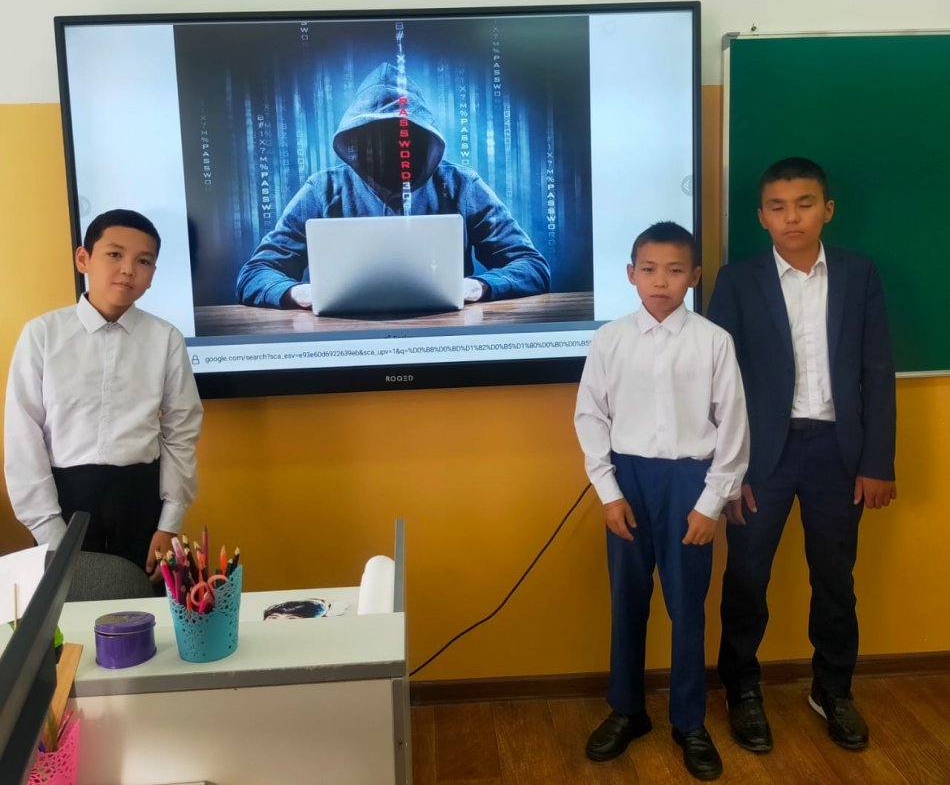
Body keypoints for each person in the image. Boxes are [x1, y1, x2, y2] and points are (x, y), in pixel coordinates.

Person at [708, 157, 897, 753]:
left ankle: (832, 689)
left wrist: (877, 462)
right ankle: (741, 688)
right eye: (778, 207)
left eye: (805, 204)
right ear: (761, 216)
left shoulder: (859, 274)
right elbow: (718, 382)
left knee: (835, 579)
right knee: (747, 577)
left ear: (827, 210)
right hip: (761, 455)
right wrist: (728, 471)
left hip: (837, 453)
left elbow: (877, 372)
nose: (792, 217)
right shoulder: (737, 281)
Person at [575, 221, 749, 782]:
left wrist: (711, 504)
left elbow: (733, 428)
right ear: (631, 274)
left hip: (689, 486)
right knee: (627, 601)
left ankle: (688, 721)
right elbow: (590, 416)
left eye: (675, 271)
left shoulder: (713, 341)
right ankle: (627, 709)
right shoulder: (610, 339)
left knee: (687, 608)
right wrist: (608, 493)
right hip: (627, 481)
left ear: (694, 276)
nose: (660, 281)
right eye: (648, 270)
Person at [235, 61, 550, 309]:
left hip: (446, 344)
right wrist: (301, 293)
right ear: (355, 140)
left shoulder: (461, 185)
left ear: (423, 138)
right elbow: (254, 274)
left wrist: (478, 286)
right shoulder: (323, 190)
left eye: (402, 137)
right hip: (344, 347)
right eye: (376, 139)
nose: (390, 148)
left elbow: (532, 267)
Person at [3, 209, 203, 582]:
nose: (128, 269)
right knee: (71, 608)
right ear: (84, 259)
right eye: (114, 254)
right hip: (64, 500)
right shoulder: (42, 334)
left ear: (152, 275)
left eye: (143, 261)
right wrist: (48, 529)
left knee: (140, 606)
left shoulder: (165, 338)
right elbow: (22, 434)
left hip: (140, 499)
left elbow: (182, 429)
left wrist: (169, 522)